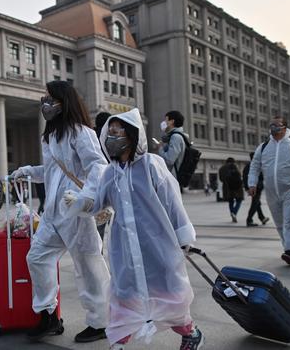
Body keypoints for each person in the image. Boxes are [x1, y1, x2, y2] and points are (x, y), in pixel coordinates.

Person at [69, 109, 203, 350]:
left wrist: (184, 237)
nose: (111, 136)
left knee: (169, 295)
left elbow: (172, 203)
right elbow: (98, 203)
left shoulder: (152, 165)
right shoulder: (110, 173)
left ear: (131, 135)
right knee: (124, 294)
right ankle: (118, 343)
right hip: (125, 247)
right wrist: (79, 201)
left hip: (158, 243)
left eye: (116, 131)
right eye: (108, 132)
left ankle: (191, 332)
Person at [11, 80, 110, 343]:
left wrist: (85, 198)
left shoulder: (81, 133)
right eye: (44, 98)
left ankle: (100, 322)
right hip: (53, 213)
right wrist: (28, 172)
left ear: (63, 102)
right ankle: (48, 315)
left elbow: (97, 167)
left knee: (88, 266)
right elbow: (52, 172)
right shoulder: (51, 137)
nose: (45, 103)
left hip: (77, 212)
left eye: (50, 98)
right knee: (37, 257)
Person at [248, 117, 290, 266]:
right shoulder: (264, 147)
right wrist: (252, 183)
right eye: (271, 125)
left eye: (277, 125)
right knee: (279, 223)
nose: (274, 128)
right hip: (272, 191)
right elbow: (254, 166)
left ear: (285, 128)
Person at [94, 111, 112, 242]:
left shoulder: (91, 136)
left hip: (95, 186)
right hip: (111, 183)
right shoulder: (109, 136)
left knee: (98, 226)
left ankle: (98, 252)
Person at [158, 110, 187, 182]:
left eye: (166, 120)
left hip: (173, 179)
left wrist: (160, 148)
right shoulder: (176, 136)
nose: (164, 122)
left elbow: (169, 160)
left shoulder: (176, 137)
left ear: (172, 121)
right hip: (173, 178)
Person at [243, 152, 269, 227]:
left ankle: (262, 218)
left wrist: (246, 187)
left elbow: (245, 177)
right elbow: (246, 178)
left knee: (257, 203)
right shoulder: (254, 166)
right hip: (255, 188)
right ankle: (249, 220)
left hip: (255, 187)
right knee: (255, 203)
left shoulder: (249, 166)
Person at [219, 158, 244, 223]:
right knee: (239, 200)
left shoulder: (221, 168)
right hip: (237, 188)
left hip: (227, 187)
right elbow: (239, 176)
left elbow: (221, 179)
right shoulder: (234, 166)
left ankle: (232, 213)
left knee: (230, 201)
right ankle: (234, 213)